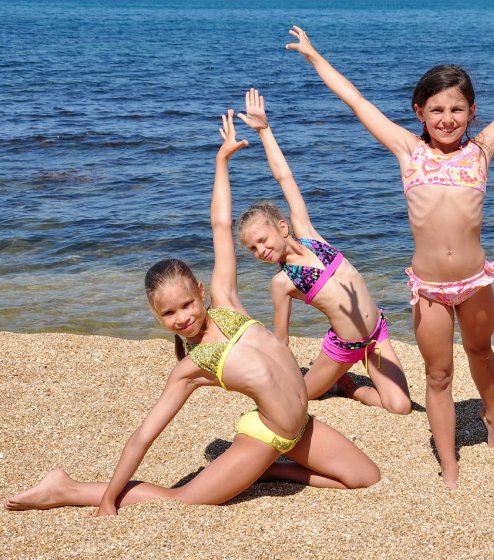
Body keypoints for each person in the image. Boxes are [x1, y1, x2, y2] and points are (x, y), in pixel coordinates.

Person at [3, 111, 379, 515]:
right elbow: (144, 436)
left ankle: (268, 470)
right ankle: (66, 489)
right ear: (158, 318)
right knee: (179, 498)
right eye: (169, 314)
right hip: (266, 435)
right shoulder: (193, 366)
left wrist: (222, 161)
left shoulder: (227, 301)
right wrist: (110, 500)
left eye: (186, 304)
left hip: (299, 428)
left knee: (365, 477)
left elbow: (220, 226)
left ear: (201, 292)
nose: (182, 318)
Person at [286, 21, 494, 488]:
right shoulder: (408, 151)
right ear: (419, 111)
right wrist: (314, 57)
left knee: (481, 354)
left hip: (475, 282)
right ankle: (449, 461)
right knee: (438, 374)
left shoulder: (482, 152)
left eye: (457, 109)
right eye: (436, 109)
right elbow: (356, 101)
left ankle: (493, 419)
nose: (447, 118)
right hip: (429, 288)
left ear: (472, 112)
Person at [235, 88, 411, 415]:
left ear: (282, 227)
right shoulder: (283, 282)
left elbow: (285, 177)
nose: (260, 250)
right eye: (252, 248)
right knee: (301, 397)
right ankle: (341, 384)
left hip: (377, 334)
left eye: (262, 239)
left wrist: (264, 131)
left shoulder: (309, 235)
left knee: (400, 407)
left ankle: (349, 387)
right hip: (343, 348)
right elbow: (281, 339)